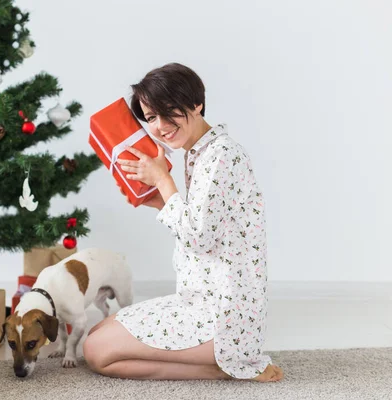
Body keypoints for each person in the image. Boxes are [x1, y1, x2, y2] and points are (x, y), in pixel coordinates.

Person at [82, 63, 283, 382]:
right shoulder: (200, 153)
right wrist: (159, 202)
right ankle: (221, 366)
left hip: (223, 317)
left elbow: (199, 238)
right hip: (198, 301)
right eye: (151, 118)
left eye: (168, 111)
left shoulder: (222, 155)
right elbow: (204, 226)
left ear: (196, 103)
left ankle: (228, 367)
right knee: (97, 331)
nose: (160, 127)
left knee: (96, 351)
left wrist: (163, 181)